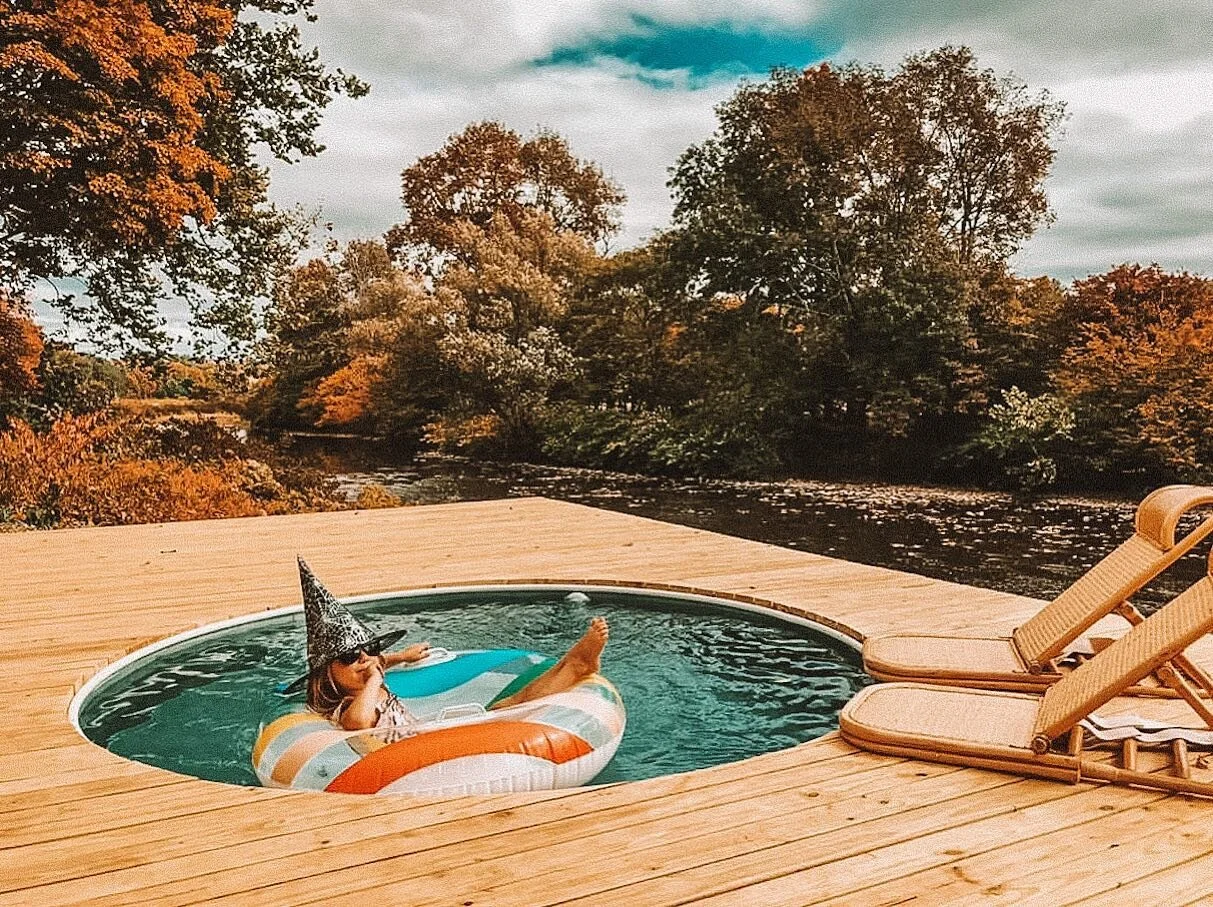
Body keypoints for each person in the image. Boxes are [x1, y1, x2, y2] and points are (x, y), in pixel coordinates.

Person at [288, 557, 609, 735]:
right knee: (509, 712)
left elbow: (374, 662)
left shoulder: (362, 677)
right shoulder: (347, 707)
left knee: (511, 701)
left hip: (426, 731)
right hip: (418, 751)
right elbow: (358, 723)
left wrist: (399, 656)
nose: (365, 660)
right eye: (348, 656)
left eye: (369, 650)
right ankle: (575, 666)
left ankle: (574, 663)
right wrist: (373, 680)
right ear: (325, 675)